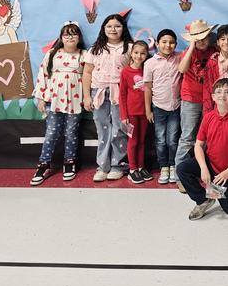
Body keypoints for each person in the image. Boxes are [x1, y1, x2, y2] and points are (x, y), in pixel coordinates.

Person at [175, 19, 228, 192]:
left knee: (208, 139)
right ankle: (179, 177)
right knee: (188, 137)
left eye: (204, 37)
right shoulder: (188, 52)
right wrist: (191, 47)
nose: (202, 41)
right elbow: (182, 69)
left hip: (212, 101)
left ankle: (205, 172)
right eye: (197, 38)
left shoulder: (214, 50)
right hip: (190, 98)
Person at [176, 78, 228, 220]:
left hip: (227, 172)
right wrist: (204, 168)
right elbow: (198, 145)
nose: (223, 95)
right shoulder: (208, 117)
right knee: (182, 169)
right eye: (219, 91)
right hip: (210, 164)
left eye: (227, 92)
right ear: (213, 97)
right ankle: (203, 200)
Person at [30, 22, 87, 185]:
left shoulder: (84, 54)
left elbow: (88, 76)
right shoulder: (52, 53)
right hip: (54, 99)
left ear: (79, 37)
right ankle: (43, 164)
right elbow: (43, 74)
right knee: (51, 133)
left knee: (71, 132)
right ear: (61, 38)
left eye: (74, 34)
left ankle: (69, 163)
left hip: (75, 100)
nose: (70, 37)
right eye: (66, 34)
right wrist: (41, 97)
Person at [82, 14, 133, 182]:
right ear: (103, 29)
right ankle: (103, 166)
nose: (113, 29)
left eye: (117, 26)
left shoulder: (129, 48)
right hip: (99, 91)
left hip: (120, 92)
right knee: (103, 129)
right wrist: (87, 97)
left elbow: (134, 72)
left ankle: (118, 165)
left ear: (123, 29)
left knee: (119, 128)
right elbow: (87, 73)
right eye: (109, 26)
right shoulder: (95, 49)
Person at [142, 30, 181, 185]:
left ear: (176, 44)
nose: (168, 45)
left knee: (172, 140)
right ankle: (163, 166)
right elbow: (147, 87)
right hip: (158, 107)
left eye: (171, 42)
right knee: (160, 140)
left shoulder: (179, 58)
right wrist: (148, 109)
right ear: (157, 44)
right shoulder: (150, 63)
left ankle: (172, 165)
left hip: (175, 106)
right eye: (164, 42)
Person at [119, 40, 153, 184]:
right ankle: (132, 169)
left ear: (146, 55)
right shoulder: (126, 71)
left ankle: (140, 166)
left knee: (142, 140)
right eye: (136, 53)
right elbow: (122, 94)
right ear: (131, 54)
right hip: (131, 114)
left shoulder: (147, 70)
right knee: (133, 141)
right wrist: (124, 115)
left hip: (144, 113)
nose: (139, 56)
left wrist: (148, 111)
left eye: (143, 53)